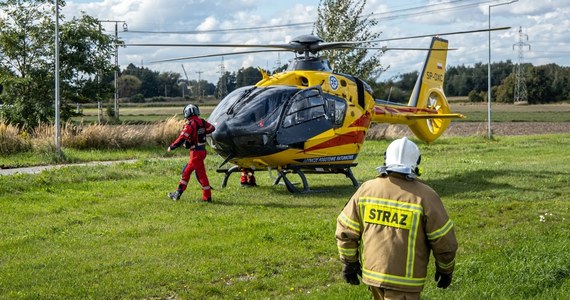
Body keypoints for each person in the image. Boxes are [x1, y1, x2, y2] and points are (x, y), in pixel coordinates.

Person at [335, 137, 458, 300]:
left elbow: (345, 230)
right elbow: (445, 242)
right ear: (416, 162)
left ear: (387, 159)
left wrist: (349, 263)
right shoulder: (425, 196)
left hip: (374, 278)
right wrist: (445, 269)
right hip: (405, 284)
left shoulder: (366, 189)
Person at [167, 104, 215, 202]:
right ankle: (179, 193)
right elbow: (211, 128)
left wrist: (172, 146)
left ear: (187, 113)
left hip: (195, 153)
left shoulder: (191, 124)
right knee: (191, 173)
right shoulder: (202, 122)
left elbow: (182, 138)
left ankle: (180, 194)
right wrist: (201, 133)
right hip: (202, 151)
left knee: (191, 173)